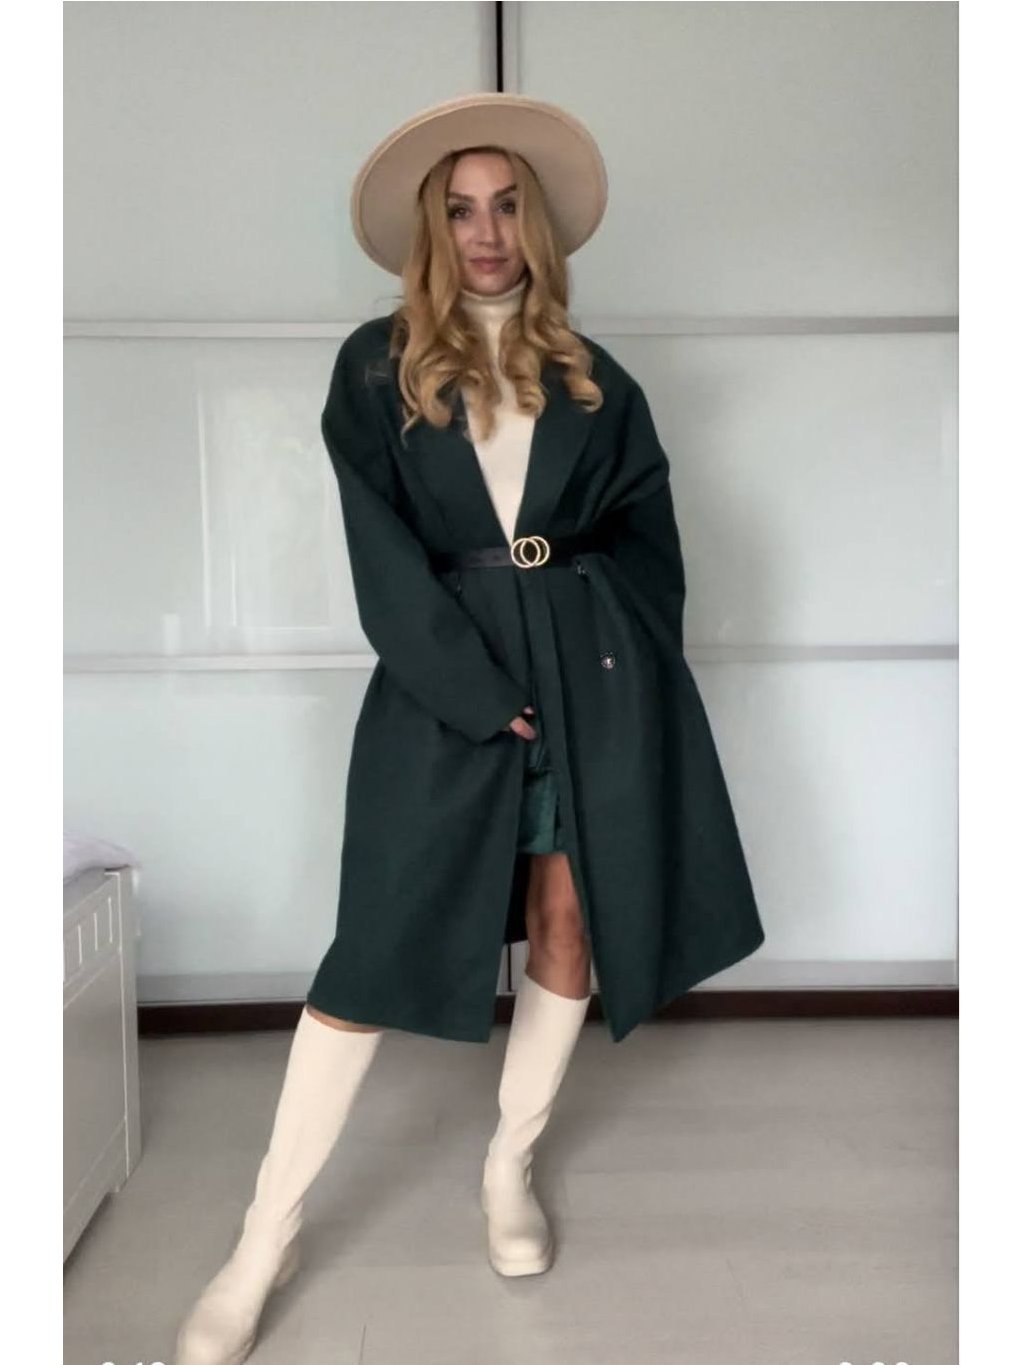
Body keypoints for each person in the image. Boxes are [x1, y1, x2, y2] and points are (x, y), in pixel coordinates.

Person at [174, 93, 764, 1365]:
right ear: (429, 229)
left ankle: (509, 1166)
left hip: (590, 680)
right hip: (448, 680)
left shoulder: (595, 379)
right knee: (373, 952)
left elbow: (650, 545)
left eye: (505, 207)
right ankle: (264, 1239)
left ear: (533, 225)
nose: (485, 232)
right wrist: (470, 685)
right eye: (459, 210)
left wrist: (614, 667)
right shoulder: (376, 366)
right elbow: (380, 557)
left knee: (569, 921)